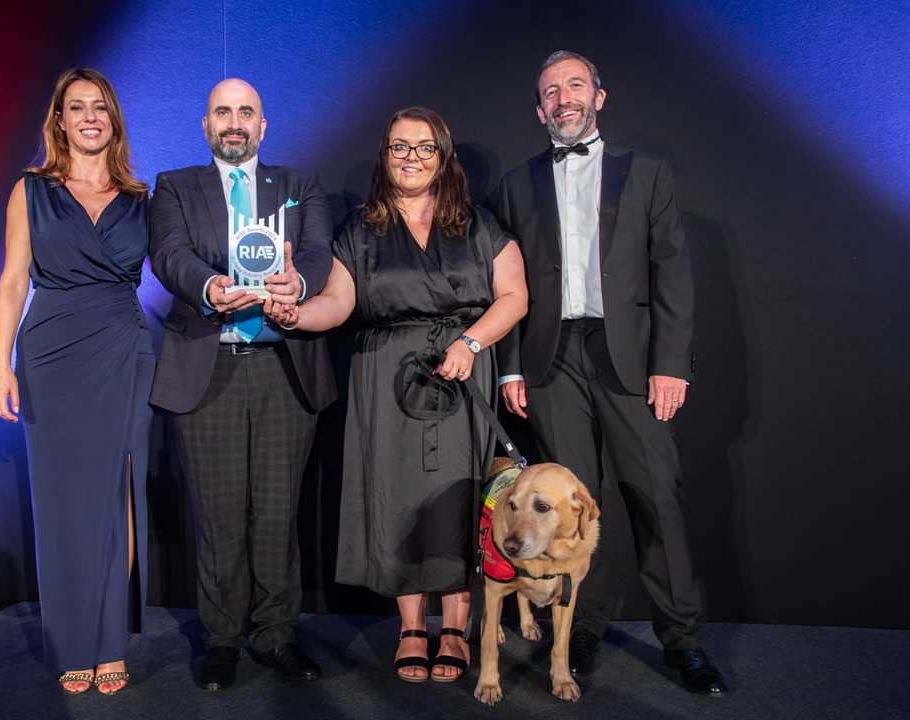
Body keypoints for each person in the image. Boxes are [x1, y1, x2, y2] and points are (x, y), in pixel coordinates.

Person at [494, 50, 727, 694]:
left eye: (575, 85)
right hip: (550, 358)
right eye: (551, 91)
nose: (563, 97)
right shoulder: (514, 185)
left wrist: (671, 364)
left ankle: (683, 641)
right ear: (539, 109)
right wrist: (509, 369)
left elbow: (672, 272)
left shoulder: (647, 172)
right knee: (566, 513)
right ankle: (581, 630)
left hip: (631, 358)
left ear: (599, 96)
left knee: (657, 499)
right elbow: (504, 286)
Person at [267, 107, 527, 683]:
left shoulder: (479, 224)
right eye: (400, 147)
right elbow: (338, 303)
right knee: (395, 494)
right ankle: (411, 627)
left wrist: (471, 342)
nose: (412, 157)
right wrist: (294, 314)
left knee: (458, 496)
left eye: (425, 146)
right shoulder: (361, 229)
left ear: (443, 156)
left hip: (462, 371)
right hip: (385, 375)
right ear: (385, 156)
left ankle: (454, 627)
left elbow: (514, 295)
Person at [147, 79, 337, 690]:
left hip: (284, 367)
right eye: (223, 112)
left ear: (263, 125)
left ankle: (276, 636)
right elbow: (169, 254)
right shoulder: (175, 185)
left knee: (278, 514)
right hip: (209, 368)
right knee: (219, 516)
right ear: (205, 125)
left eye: (246, 112)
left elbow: (318, 252)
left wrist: (296, 285)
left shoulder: (301, 184)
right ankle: (222, 640)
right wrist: (209, 287)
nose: (235, 122)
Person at [0, 68, 154, 696]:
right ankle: (71, 640)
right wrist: (0, 365)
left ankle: (109, 641)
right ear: (59, 120)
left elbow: (180, 263)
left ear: (114, 120)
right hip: (51, 353)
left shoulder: (141, 198)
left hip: (123, 347)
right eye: (77, 107)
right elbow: (12, 280)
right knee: (61, 502)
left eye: (100, 107)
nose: (89, 117)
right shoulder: (30, 190)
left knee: (118, 494)